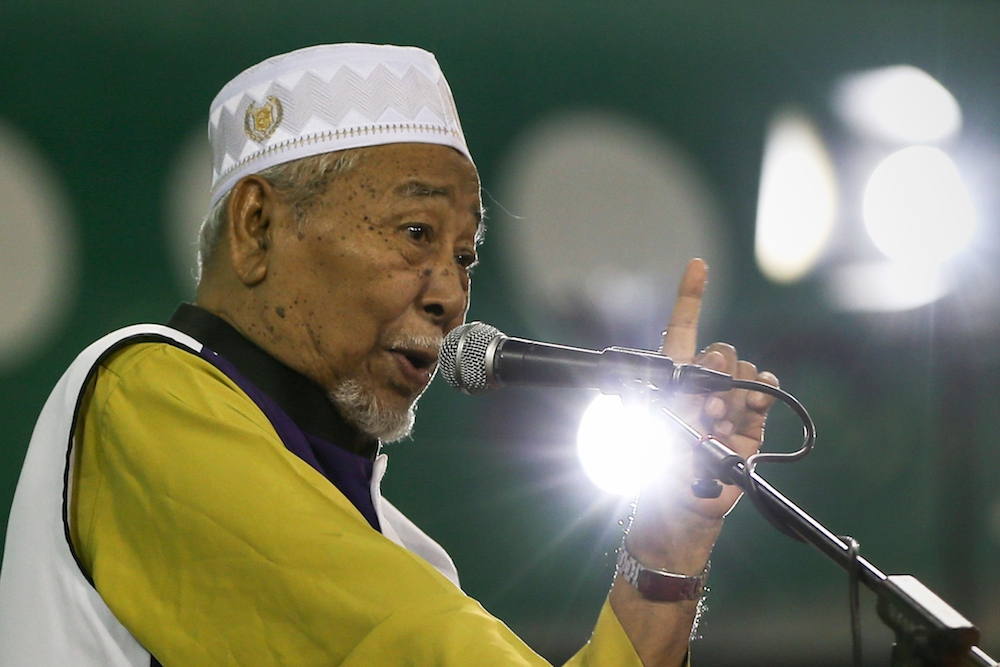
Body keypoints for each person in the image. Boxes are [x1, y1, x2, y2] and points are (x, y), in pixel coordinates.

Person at [0, 43, 777, 666]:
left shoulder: (409, 557)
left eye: (466, 256)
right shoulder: (142, 391)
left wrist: (669, 543)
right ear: (257, 227)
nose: (450, 294)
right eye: (415, 234)